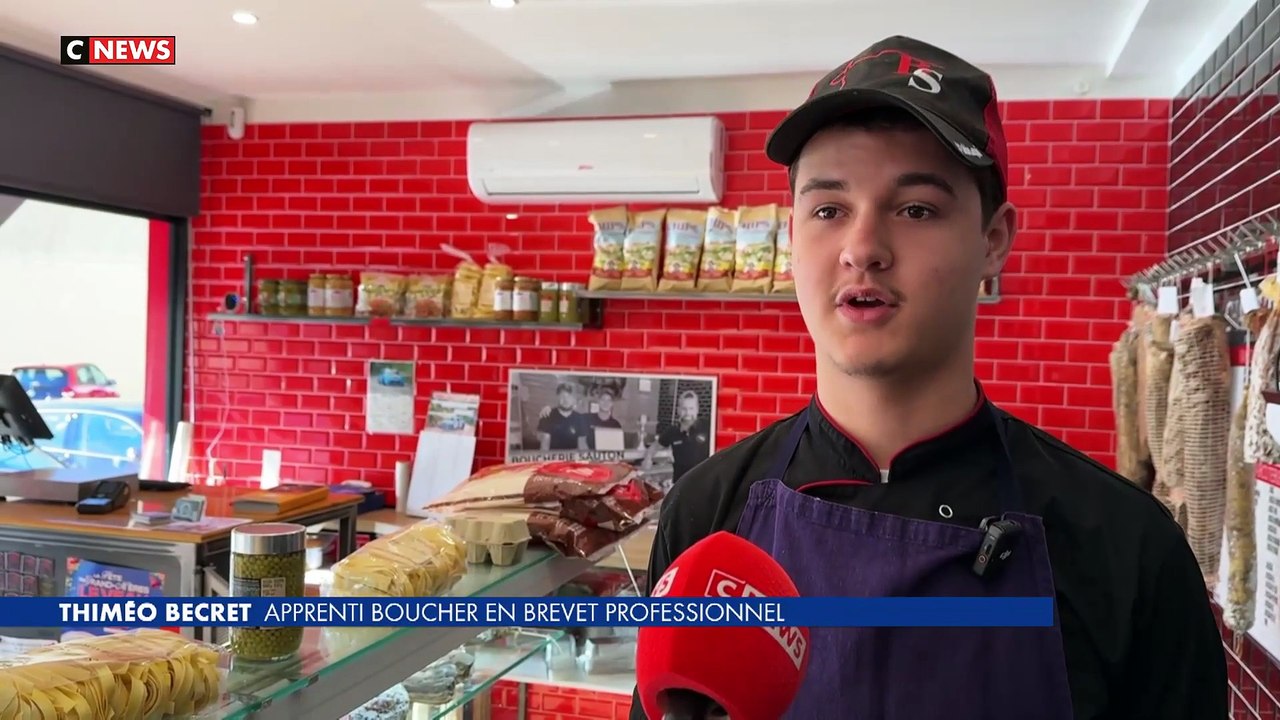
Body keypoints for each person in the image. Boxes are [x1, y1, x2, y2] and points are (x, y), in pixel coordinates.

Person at [628, 35, 1226, 720]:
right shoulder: (706, 516)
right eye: (828, 210)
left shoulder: (1127, 547)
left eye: (916, 209)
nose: (862, 248)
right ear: (792, 237)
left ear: (993, 240)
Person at [641, 390, 710, 482]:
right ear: (678, 410)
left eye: (691, 409)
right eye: (684, 409)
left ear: (697, 409)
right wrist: (648, 458)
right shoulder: (672, 431)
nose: (688, 413)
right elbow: (654, 447)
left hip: (703, 481)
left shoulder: (707, 427)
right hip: (680, 483)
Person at [536, 383, 588, 451]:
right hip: (552, 456)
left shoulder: (580, 419)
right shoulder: (547, 415)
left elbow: (582, 445)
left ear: (574, 399)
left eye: (569, 396)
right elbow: (544, 447)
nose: (566, 400)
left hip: (572, 456)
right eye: (562, 396)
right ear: (557, 397)